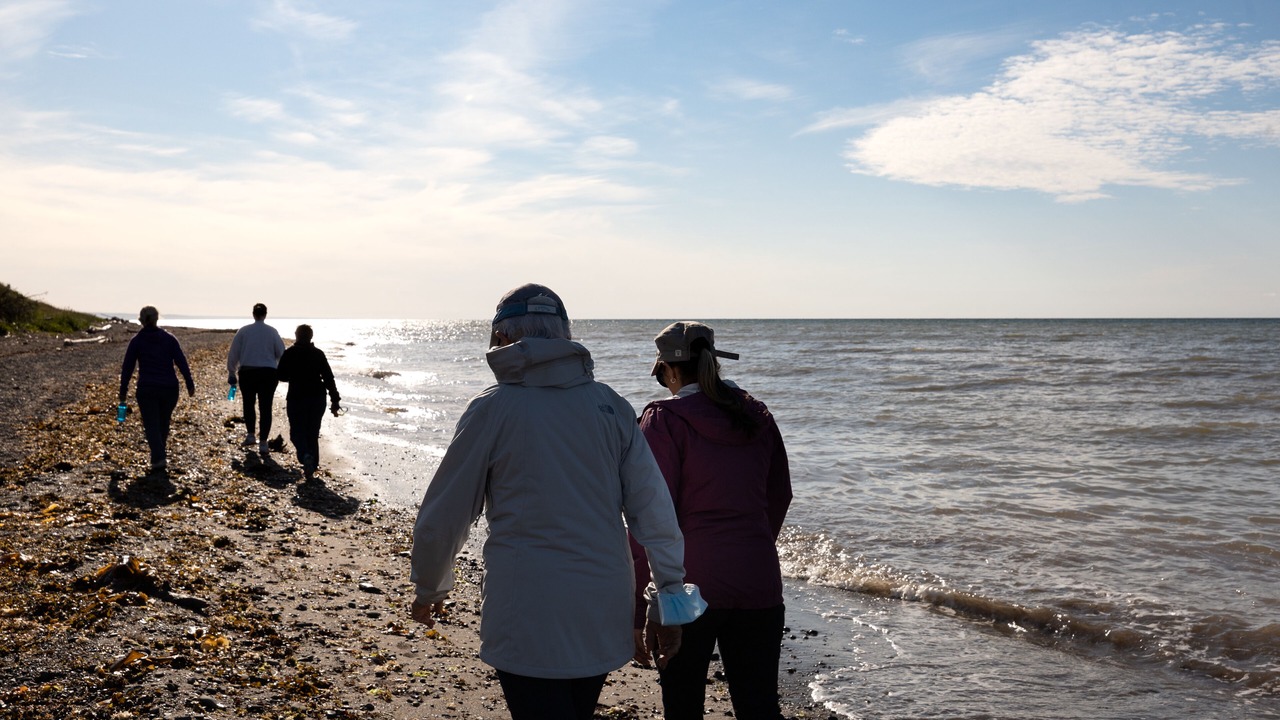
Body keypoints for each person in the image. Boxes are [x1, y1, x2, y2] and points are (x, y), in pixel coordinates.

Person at [409, 283, 701, 720]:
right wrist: (669, 596)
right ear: (564, 336)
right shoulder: (612, 407)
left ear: (504, 339)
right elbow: (654, 512)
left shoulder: (493, 408)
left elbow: (445, 514)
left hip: (524, 609)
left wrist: (430, 584)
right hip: (601, 607)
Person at [633, 321, 792, 720]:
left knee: (683, 706)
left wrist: (638, 607)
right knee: (759, 707)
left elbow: (650, 515)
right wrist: (750, 544)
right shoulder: (757, 414)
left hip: (686, 588)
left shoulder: (664, 419)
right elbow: (780, 495)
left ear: (669, 370)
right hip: (757, 577)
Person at [118, 306, 196, 472]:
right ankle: (158, 456)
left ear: (140, 320)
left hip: (147, 388)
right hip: (169, 388)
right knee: (163, 421)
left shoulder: (137, 341)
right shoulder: (169, 338)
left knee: (151, 423)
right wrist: (189, 383)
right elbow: (181, 361)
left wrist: (123, 390)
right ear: (157, 319)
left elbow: (128, 367)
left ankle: (159, 456)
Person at [276, 324, 342, 480]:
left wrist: (293, 375)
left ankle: (306, 456)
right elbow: (328, 378)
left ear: (296, 335)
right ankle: (312, 464)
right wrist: (335, 399)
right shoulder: (318, 354)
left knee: (296, 432)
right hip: (317, 397)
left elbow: (281, 376)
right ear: (311, 337)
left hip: (296, 397)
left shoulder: (290, 353)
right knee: (313, 432)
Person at [226, 303, 284, 455]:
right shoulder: (272, 332)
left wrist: (231, 372)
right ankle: (263, 443)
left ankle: (251, 435)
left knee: (248, 404)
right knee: (266, 407)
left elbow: (234, 353)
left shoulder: (244, 331)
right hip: (268, 373)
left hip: (248, 372)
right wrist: (282, 371)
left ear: (253, 314)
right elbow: (281, 354)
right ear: (265, 314)